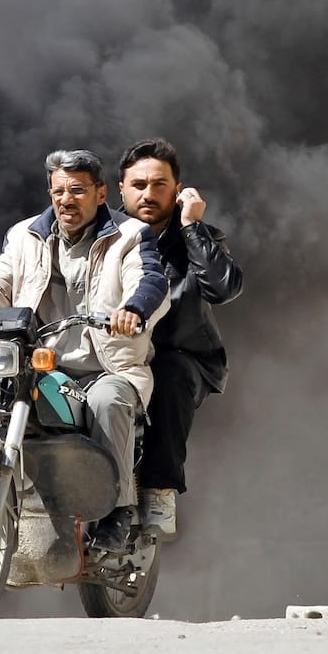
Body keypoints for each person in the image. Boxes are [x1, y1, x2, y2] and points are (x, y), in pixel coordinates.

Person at [0, 149, 169, 552]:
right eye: (58, 190)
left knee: (109, 401)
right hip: (36, 365)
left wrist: (132, 310)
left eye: (77, 189)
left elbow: (150, 281)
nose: (66, 199)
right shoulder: (25, 235)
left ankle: (117, 510)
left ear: (100, 192)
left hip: (104, 366)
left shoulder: (130, 235)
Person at [117, 137, 244, 540]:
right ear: (120, 188)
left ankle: (159, 490)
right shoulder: (107, 235)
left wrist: (191, 225)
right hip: (114, 353)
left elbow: (223, 287)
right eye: (139, 185)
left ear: (178, 189)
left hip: (180, 353)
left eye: (159, 184)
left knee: (168, 374)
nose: (148, 194)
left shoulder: (196, 236)